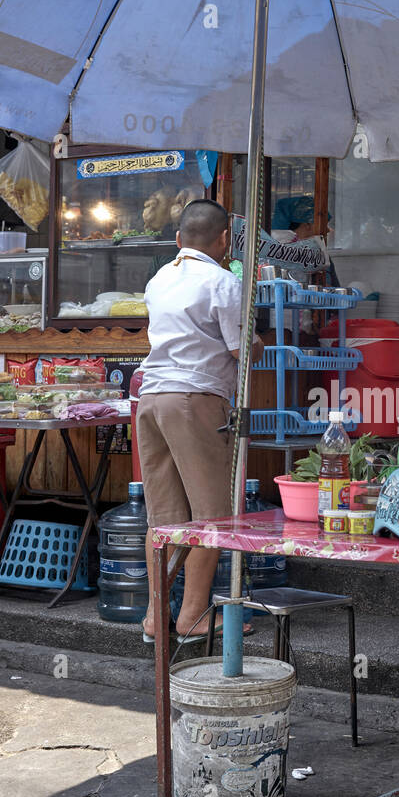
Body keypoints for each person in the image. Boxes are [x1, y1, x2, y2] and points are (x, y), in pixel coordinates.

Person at [137, 199, 260, 644]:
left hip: (150, 399)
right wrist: (259, 343)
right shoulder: (224, 282)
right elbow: (240, 350)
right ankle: (191, 616)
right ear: (225, 239)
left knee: (165, 517)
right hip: (194, 398)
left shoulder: (159, 278)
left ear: (178, 240)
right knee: (211, 516)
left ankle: (155, 617)